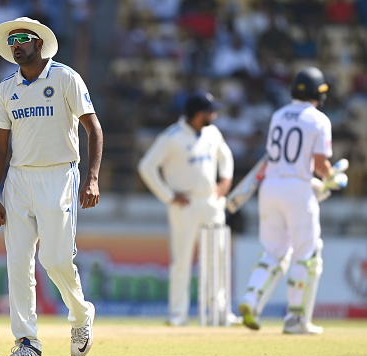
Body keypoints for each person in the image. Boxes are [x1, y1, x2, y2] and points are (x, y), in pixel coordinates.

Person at [0, 17, 103, 356]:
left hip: (59, 175)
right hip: (19, 180)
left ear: (39, 43)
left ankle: (81, 315)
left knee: (54, 260)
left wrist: (92, 177)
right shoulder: (6, 88)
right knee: (18, 262)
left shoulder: (65, 77)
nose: (16, 45)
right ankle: (27, 342)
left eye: (22, 39)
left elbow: (93, 129)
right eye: (12, 41)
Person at [238, 67, 347, 335]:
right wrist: (332, 178)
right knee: (307, 255)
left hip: (271, 186)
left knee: (274, 251)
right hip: (297, 189)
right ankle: (296, 320)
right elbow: (319, 164)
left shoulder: (278, 115)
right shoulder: (319, 119)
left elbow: (283, 158)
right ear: (319, 94)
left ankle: (251, 298)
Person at [138, 91, 235, 326]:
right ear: (198, 114)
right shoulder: (172, 137)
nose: (215, 114)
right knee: (181, 261)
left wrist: (225, 182)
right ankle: (178, 314)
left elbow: (226, 157)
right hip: (185, 205)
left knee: (217, 258)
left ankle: (220, 313)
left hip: (211, 202)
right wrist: (169, 196)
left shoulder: (212, 133)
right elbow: (147, 167)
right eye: (210, 111)